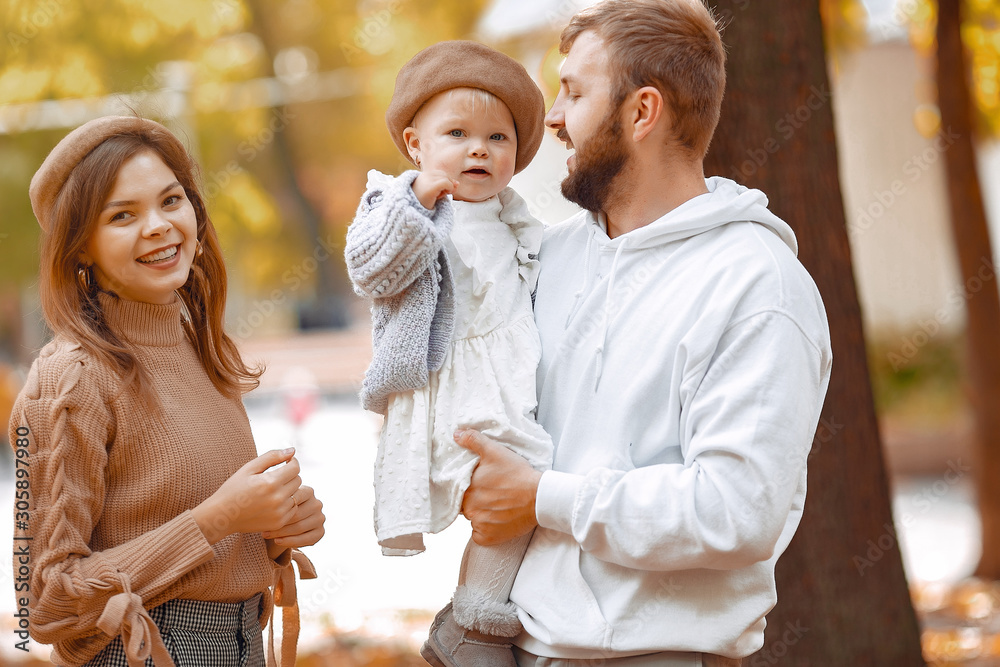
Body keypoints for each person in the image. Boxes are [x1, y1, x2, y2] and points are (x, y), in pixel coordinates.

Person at [453, 1, 834, 666]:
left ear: (642, 111)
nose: (554, 118)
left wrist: (542, 497)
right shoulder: (550, 258)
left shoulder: (757, 285)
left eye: (573, 92)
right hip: (525, 648)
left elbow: (735, 509)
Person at [9, 116, 325, 667]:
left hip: (242, 642)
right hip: (150, 649)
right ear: (80, 247)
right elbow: (48, 600)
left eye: (171, 200)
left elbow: (189, 527)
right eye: (122, 215)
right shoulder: (70, 379)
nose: (158, 226)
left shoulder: (195, 342)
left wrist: (275, 528)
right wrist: (220, 518)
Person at [344, 41, 552, 667]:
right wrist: (417, 205)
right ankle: (475, 626)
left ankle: (473, 622)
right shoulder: (394, 203)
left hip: (510, 378)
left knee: (522, 501)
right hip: (449, 382)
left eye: (497, 138)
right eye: (457, 133)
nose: (479, 150)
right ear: (415, 145)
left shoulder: (516, 217)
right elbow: (371, 269)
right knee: (505, 491)